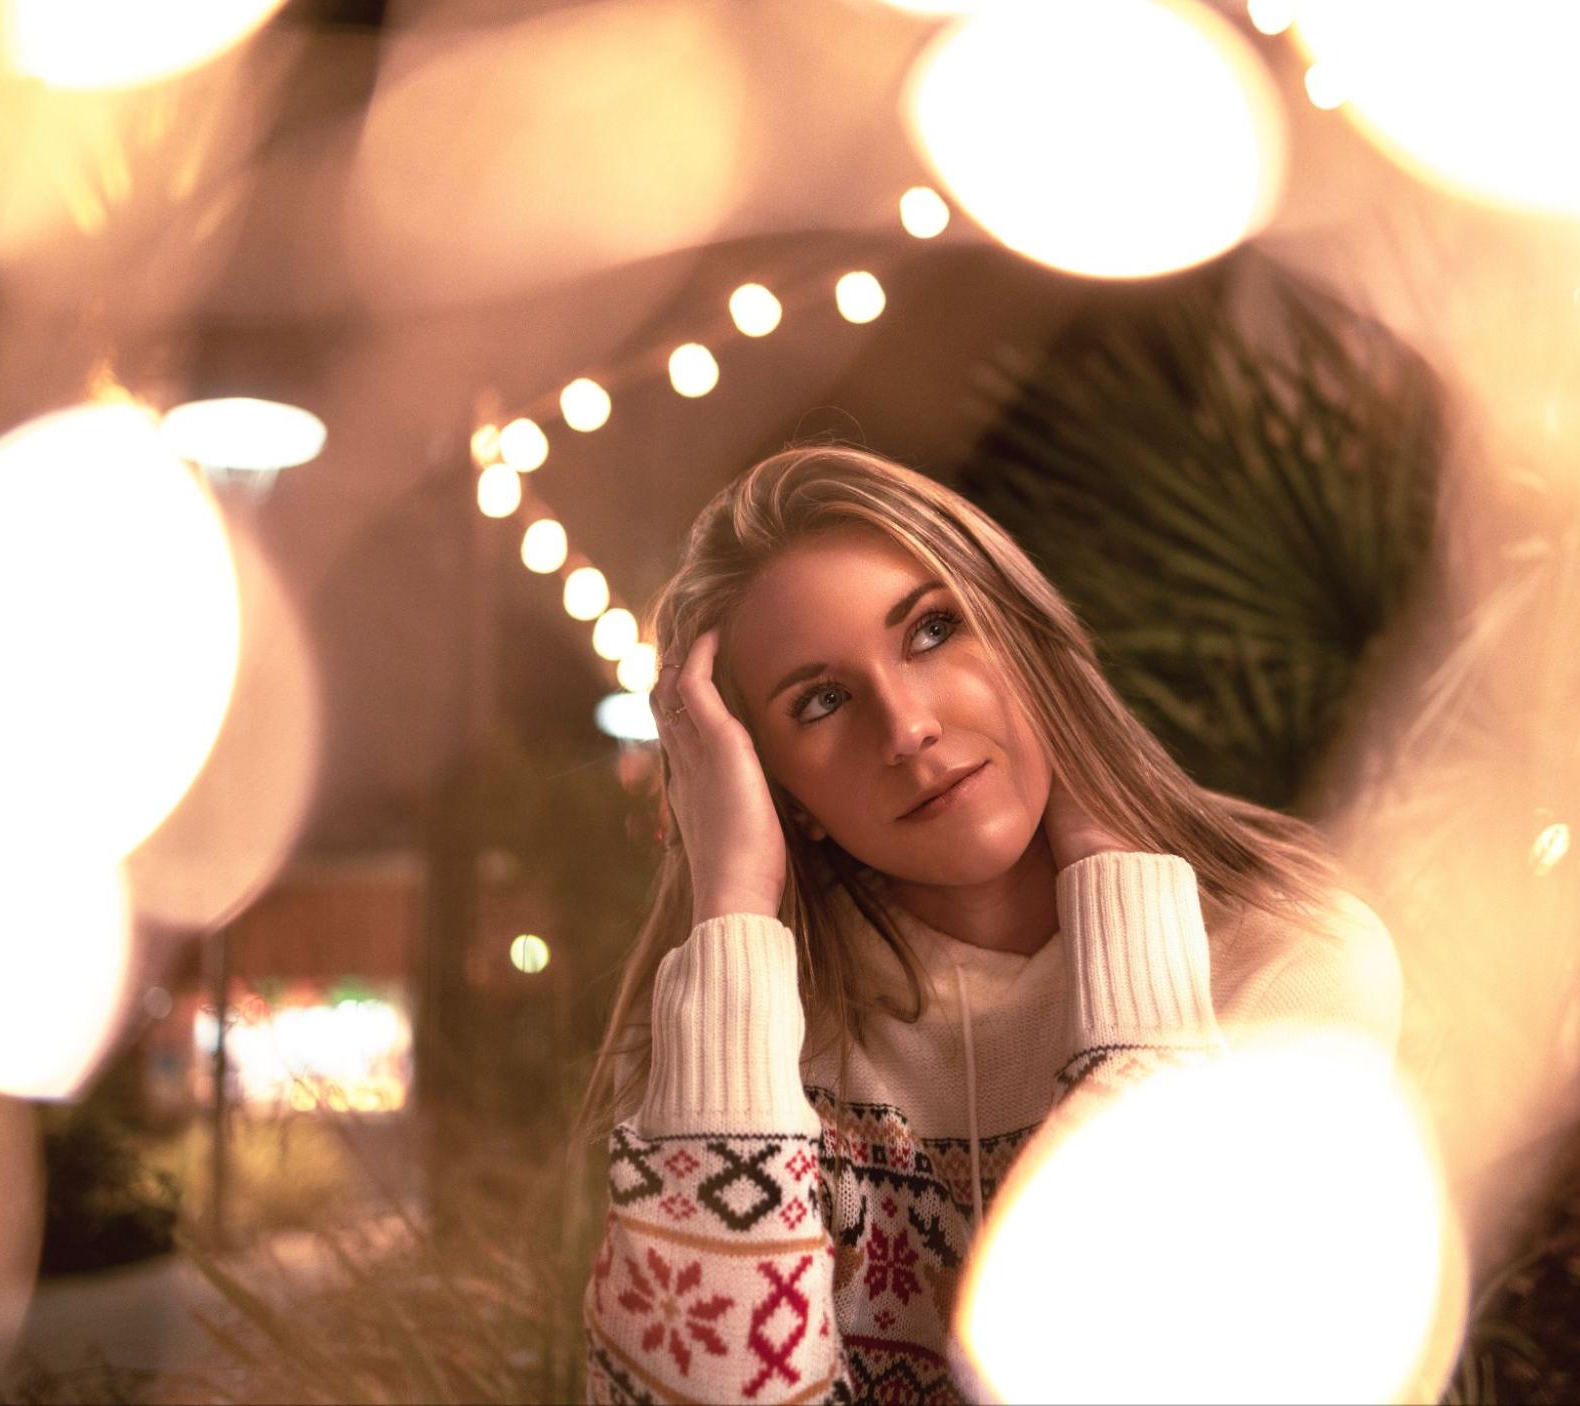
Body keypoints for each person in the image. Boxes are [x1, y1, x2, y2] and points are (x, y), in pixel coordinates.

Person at [576, 445, 1401, 1403]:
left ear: (1024, 638)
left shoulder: (1287, 957)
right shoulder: (737, 1037)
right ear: (775, 787)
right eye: (822, 700)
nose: (906, 726)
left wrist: (1127, 941)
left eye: (931, 632)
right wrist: (729, 905)